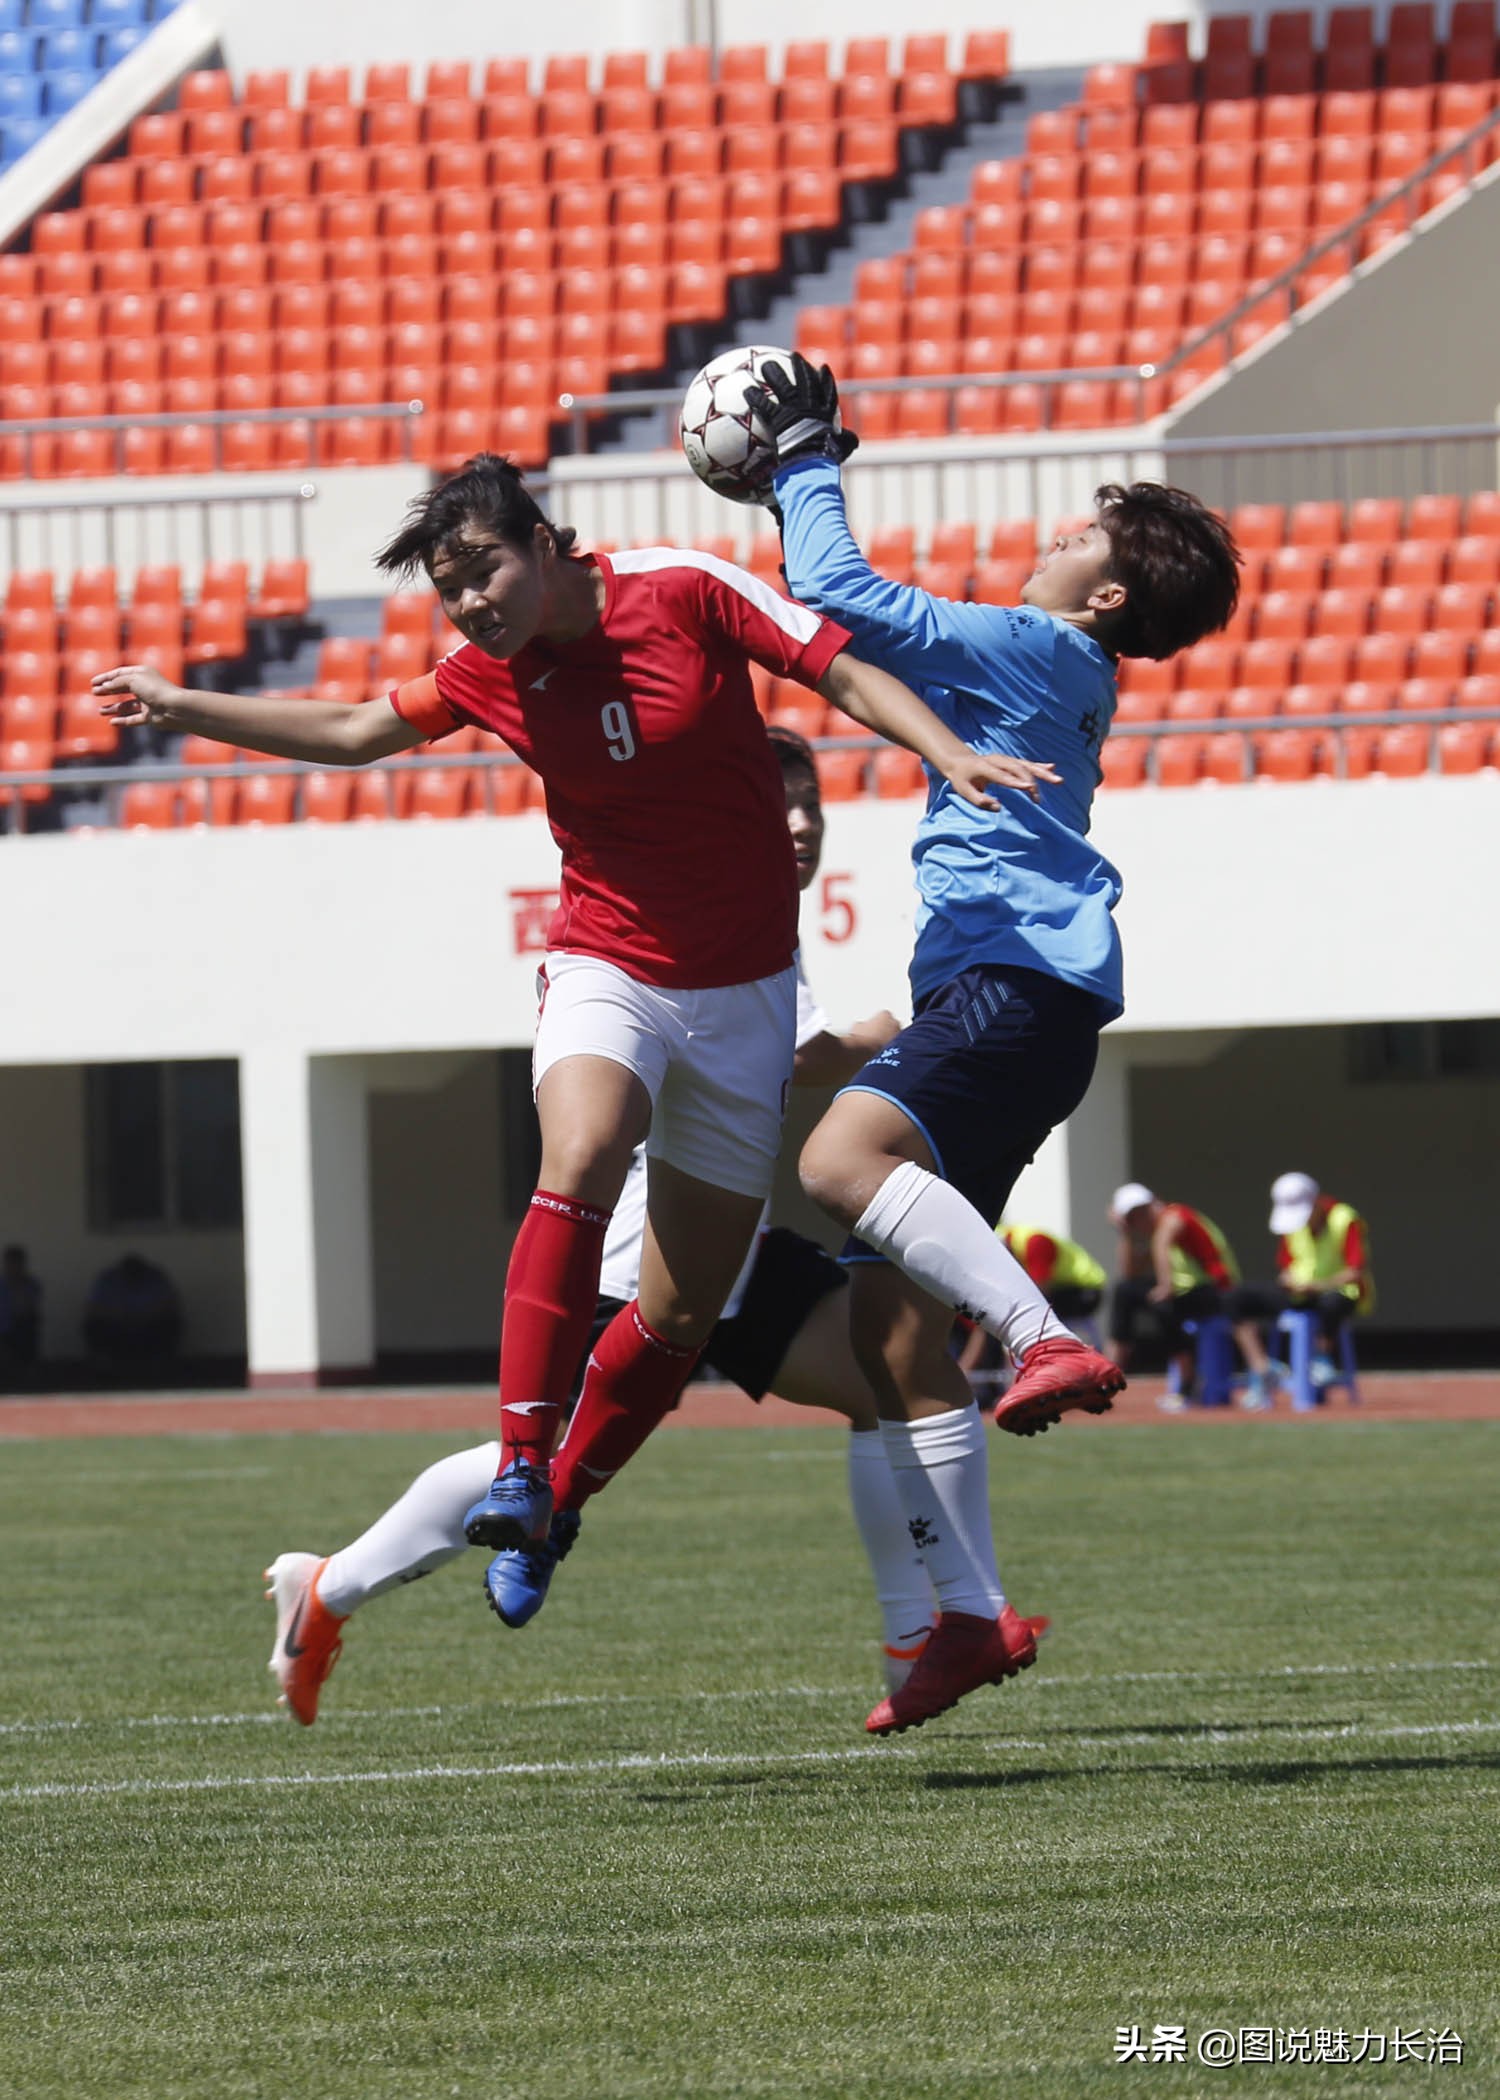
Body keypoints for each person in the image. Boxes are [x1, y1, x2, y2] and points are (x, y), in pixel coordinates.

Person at [97, 455, 1049, 1626]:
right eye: (450, 592)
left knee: (681, 1317)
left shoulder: (684, 588)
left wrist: (942, 750)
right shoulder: (490, 671)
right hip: (609, 963)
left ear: (545, 544)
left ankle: (548, 1504)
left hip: (745, 995)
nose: (471, 606)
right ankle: (516, 1460)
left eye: (482, 572)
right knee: (585, 1152)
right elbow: (353, 728)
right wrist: (186, 707)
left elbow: (839, 666)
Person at [265, 729, 1047, 1724]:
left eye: (811, 805)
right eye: (778, 804)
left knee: (882, 1379)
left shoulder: (761, 911)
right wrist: (879, 1040)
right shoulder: (675, 912)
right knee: (542, 1472)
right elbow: (791, 1056)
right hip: (647, 1259)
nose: (801, 822)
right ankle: (326, 1588)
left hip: (734, 1252)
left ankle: (912, 1639)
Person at [745, 353, 1242, 1734]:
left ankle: (1043, 1335)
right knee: (889, 1336)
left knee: (840, 1153)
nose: (1053, 536)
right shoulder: (1066, 665)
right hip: (1034, 1001)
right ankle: (950, 1624)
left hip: (1012, 984)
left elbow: (843, 601)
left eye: (1080, 534)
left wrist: (801, 464)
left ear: (1108, 596)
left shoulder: (1039, 647)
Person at [1228, 1171, 1374, 1408]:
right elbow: (1286, 1265)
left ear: (1316, 1203)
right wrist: (1288, 1280)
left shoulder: (1345, 1219)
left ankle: (1321, 1360)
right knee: (1236, 1299)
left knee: (1332, 1304)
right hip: (1299, 1294)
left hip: (1338, 1292)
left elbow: (1356, 1271)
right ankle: (1263, 1368)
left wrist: (1318, 1286)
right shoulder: (1292, 1227)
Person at [1106, 1182, 1241, 1406]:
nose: (1139, 1220)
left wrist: (1165, 1287)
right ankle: (1111, 1372)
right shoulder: (1152, 1230)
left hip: (1214, 1290)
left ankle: (1188, 1382)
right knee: (1124, 1291)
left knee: (1164, 1308)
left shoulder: (1174, 1216)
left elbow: (1162, 1243)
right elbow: (1129, 1272)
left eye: (1140, 1213)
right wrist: (1125, 1233)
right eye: (1132, 1217)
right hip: (1184, 1291)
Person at [956, 1222, 1107, 1394]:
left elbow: (1039, 1295)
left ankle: (1049, 1371)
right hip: (1057, 1288)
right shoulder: (1006, 1242)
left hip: (1083, 1290)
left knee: (1022, 1314)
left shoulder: (1035, 1243)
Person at [83, 1252, 182, 1376]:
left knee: (170, 1324)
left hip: (149, 1324)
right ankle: (103, 1367)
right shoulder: (108, 1279)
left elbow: (169, 1304)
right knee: (94, 1325)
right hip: (116, 1324)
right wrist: (119, 1315)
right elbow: (94, 1307)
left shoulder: (156, 1278)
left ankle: (160, 1367)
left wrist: (144, 1315)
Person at [0, 1244, 42, 1379]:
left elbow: (27, 1307)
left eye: (16, 1263)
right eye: (9, 1263)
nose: (12, 1267)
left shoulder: (31, 1284)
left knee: (27, 1325)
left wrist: (17, 1287)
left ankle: (27, 1373)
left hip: (19, 1326)